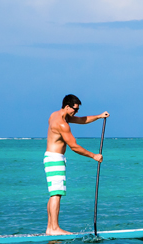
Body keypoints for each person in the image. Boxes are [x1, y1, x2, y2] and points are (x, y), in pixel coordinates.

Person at [44, 94, 109, 235]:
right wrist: (94, 156)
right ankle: (54, 228)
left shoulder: (55, 115)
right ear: (67, 106)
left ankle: (50, 227)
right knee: (56, 194)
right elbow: (74, 146)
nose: (76, 112)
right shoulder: (62, 124)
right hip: (55, 159)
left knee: (54, 193)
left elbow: (81, 120)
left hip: (50, 157)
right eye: (74, 109)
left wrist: (99, 116)